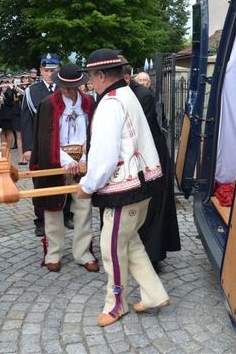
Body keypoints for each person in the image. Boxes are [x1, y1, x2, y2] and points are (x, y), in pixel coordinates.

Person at [77, 49, 169, 327]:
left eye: (91, 77)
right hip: (143, 183)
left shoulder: (110, 103)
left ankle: (116, 304)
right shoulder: (128, 93)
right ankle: (154, 294)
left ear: (102, 75)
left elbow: (105, 157)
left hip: (124, 190)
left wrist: (87, 186)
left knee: (111, 248)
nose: (89, 83)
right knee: (130, 242)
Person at [30, 63, 99, 273]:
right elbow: (45, 138)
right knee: (52, 209)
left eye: (73, 87)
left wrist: (85, 160)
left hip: (83, 162)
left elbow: (94, 133)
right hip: (55, 161)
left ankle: (83, 253)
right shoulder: (48, 104)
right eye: (65, 87)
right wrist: (64, 161)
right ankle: (54, 252)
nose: (68, 92)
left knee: (83, 209)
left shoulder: (88, 102)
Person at [122, 62, 181, 270]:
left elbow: (136, 132)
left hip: (151, 159)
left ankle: (152, 257)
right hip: (137, 158)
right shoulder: (125, 94)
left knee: (152, 208)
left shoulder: (143, 96)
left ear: (126, 78)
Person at [21, 53, 74, 236]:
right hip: (41, 145)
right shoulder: (32, 91)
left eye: (53, 70)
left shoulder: (66, 88)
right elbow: (26, 120)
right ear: (40, 71)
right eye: (46, 70)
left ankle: (67, 214)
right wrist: (27, 148)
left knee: (64, 179)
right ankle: (40, 219)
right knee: (41, 181)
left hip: (63, 144)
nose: (50, 74)